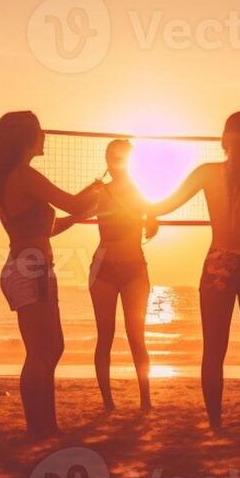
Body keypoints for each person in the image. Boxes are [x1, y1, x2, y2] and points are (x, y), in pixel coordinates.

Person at [148, 112, 240, 431]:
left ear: (224, 139)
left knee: (213, 350)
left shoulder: (208, 173)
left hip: (221, 262)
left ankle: (216, 425)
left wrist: (141, 210)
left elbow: (165, 204)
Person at [0, 111, 102, 440]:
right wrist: (95, 192)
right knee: (41, 352)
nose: (45, 134)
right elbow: (71, 203)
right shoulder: (23, 175)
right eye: (40, 130)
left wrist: (86, 203)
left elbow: (49, 226)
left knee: (52, 348)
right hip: (30, 268)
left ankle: (44, 425)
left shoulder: (15, 177)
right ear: (26, 137)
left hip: (30, 265)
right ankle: (40, 427)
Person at [56, 138, 157, 412]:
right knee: (106, 336)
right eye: (111, 157)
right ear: (107, 160)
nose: (114, 162)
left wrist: (150, 221)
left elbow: (153, 221)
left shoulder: (140, 192)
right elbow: (74, 210)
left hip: (134, 268)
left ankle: (146, 401)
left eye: (119, 157)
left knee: (137, 337)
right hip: (104, 268)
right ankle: (108, 403)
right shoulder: (101, 191)